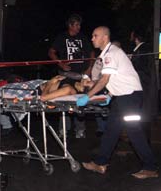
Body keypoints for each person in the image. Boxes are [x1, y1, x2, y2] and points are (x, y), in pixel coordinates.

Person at [77, 26, 158, 179]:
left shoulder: (111, 53)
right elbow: (116, 79)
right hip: (123, 96)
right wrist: (109, 94)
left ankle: (151, 167)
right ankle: (101, 163)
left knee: (134, 131)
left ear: (104, 37)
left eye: (95, 35)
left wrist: (88, 96)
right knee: (111, 130)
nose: (92, 38)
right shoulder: (108, 53)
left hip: (130, 97)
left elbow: (104, 79)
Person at [48, 13, 94, 139]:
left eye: (79, 25)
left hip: (81, 75)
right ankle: (63, 129)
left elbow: (91, 53)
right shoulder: (62, 37)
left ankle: (80, 130)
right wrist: (61, 64)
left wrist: (90, 68)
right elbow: (51, 52)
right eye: (76, 25)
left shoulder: (83, 38)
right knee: (65, 100)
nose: (79, 27)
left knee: (80, 101)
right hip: (66, 74)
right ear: (70, 25)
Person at [129, 30, 158, 139]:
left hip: (143, 91)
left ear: (135, 36)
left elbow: (141, 71)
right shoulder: (141, 50)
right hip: (145, 89)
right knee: (143, 119)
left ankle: (144, 145)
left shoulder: (142, 51)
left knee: (143, 119)